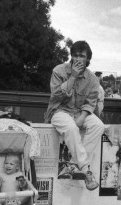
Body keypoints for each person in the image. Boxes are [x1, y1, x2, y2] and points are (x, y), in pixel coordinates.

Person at [44, 41, 104, 191]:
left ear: (87, 59)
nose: (78, 59)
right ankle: (86, 170)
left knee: (98, 125)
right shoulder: (59, 71)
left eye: (82, 56)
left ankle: (73, 163)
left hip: (79, 111)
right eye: (75, 55)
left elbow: (91, 102)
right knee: (71, 128)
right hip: (59, 110)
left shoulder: (92, 79)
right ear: (71, 56)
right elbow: (55, 97)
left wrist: (83, 116)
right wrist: (72, 77)